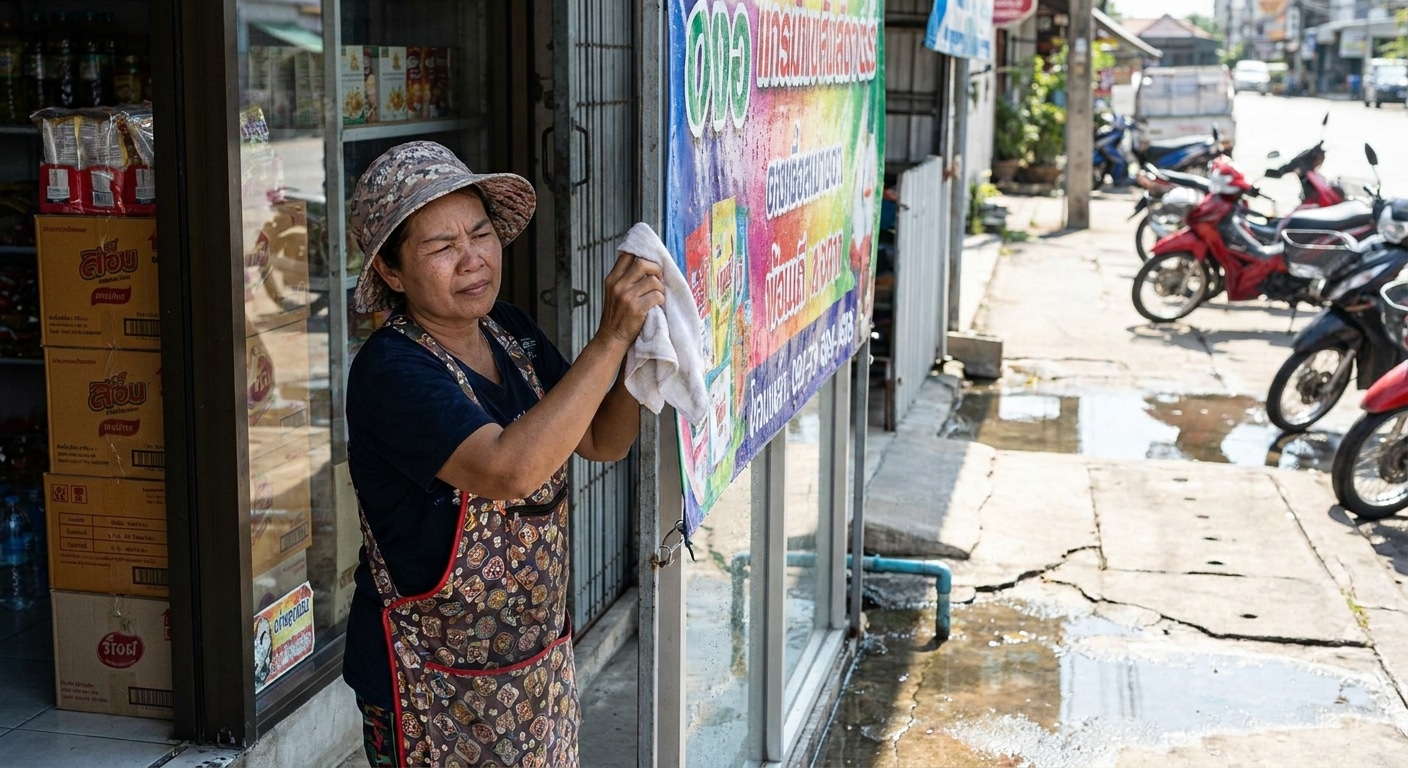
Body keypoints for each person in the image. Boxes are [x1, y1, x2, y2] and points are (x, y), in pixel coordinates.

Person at [340, 141, 663, 767]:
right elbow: (507, 469)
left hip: (533, 669)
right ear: (392, 273)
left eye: (480, 234)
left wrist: (642, 349)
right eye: (440, 247)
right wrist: (611, 334)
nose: (472, 260)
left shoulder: (507, 331)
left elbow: (601, 438)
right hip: (427, 682)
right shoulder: (391, 371)